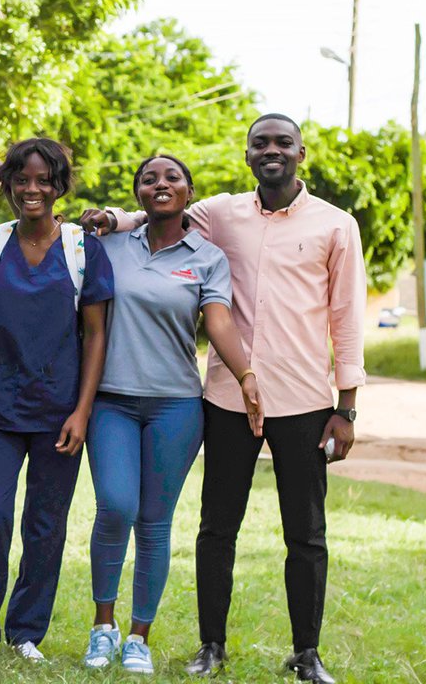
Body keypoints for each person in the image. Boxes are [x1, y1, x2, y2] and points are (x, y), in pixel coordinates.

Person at [81, 115, 365, 684]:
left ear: (301, 153)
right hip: (226, 399)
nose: (272, 151)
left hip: (305, 400)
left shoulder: (337, 226)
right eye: (261, 143)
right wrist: (113, 216)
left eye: (282, 142)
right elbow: (158, 213)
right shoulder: (222, 214)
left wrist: (347, 405)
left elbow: (347, 316)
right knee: (216, 529)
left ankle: (306, 653)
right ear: (247, 155)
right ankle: (211, 645)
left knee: (305, 534)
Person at [81, 154, 261, 675]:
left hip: (176, 405)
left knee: (155, 524)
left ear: (189, 192)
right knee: (115, 507)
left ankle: (139, 635)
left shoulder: (208, 257)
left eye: (172, 178)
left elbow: (220, 323)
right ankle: (102, 627)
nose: (160, 184)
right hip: (111, 400)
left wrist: (246, 375)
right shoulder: (109, 246)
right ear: (137, 192)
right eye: (149, 178)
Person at [0, 138, 111, 666]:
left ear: (60, 185)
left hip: (60, 413)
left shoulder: (83, 248)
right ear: (8, 186)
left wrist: (82, 412)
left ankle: (25, 631)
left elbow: (96, 336)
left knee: (46, 524)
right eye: (22, 180)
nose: (33, 189)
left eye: (44, 180)